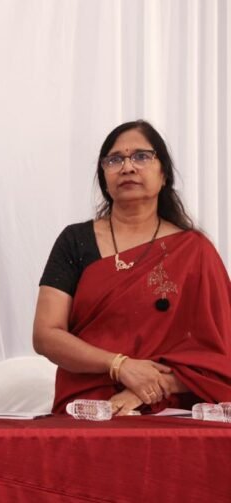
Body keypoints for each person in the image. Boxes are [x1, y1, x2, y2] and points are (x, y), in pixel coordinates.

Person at [34, 120, 231, 415]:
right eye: (115, 160)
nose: (127, 167)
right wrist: (119, 366)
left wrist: (151, 386)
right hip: (89, 408)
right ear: (104, 177)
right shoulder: (75, 240)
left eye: (141, 156)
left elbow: (220, 356)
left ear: (164, 174)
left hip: (172, 412)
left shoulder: (195, 251)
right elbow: (46, 335)